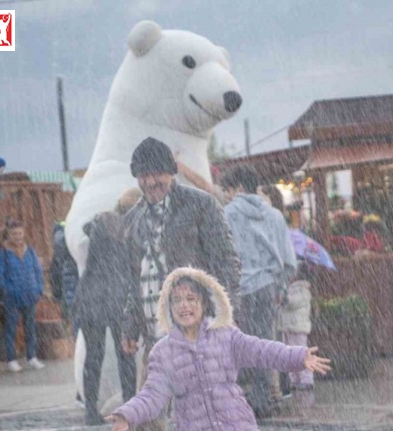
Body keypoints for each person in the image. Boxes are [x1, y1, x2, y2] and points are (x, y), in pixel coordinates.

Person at [108, 267, 330, 431]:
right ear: (169, 308)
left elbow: (262, 350)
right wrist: (127, 414)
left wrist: (298, 356)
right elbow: (152, 394)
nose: (184, 306)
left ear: (204, 303)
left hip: (237, 424)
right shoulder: (163, 352)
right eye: (176, 301)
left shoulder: (226, 335)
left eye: (191, 298)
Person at [121, 137, 241, 431]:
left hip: (194, 335)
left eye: (157, 173)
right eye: (143, 175)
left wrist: (220, 318)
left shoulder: (200, 205)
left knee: (206, 417)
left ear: (171, 173)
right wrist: (130, 324)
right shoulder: (133, 219)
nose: (150, 182)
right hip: (155, 339)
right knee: (147, 420)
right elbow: (132, 280)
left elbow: (227, 263)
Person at [220, 165, 297, 417]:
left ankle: (240, 398)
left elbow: (222, 258)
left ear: (239, 187)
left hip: (238, 291)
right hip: (267, 288)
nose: (227, 194)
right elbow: (289, 261)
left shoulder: (227, 214)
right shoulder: (274, 215)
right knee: (263, 342)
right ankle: (263, 397)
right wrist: (281, 288)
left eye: (229, 189)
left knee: (235, 345)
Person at [76, 188, 142, 425]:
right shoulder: (132, 228)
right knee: (126, 354)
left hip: (91, 296)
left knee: (94, 356)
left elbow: (85, 229)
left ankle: (90, 411)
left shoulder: (100, 220)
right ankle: (130, 406)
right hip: (117, 297)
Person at [0, 219, 46, 373]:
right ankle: (11, 359)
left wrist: (38, 289)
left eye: (20, 233)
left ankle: (32, 357)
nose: (18, 236)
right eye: (15, 234)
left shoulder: (30, 251)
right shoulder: (2, 254)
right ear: (9, 235)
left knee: (31, 328)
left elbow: (38, 271)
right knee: (11, 329)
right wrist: (8, 291)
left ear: (24, 234)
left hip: (30, 295)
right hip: (12, 298)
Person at [277, 260, 314, 406]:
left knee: (300, 352)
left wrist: (285, 297)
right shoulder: (291, 288)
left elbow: (292, 303)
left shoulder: (303, 290)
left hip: (298, 328)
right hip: (288, 327)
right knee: (290, 354)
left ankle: (306, 379)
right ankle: (294, 378)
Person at [51, 221, 79, 335]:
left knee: (75, 323)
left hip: (69, 297)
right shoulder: (78, 254)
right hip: (83, 296)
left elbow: (55, 277)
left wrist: (57, 295)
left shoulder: (58, 257)